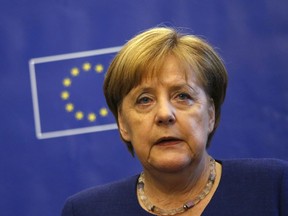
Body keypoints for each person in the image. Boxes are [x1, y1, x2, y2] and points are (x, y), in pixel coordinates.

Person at [61, 27, 288, 216]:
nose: (164, 114)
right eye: (145, 100)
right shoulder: (85, 211)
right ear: (122, 123)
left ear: (211, 114)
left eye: (182, 96)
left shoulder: (274, 186)